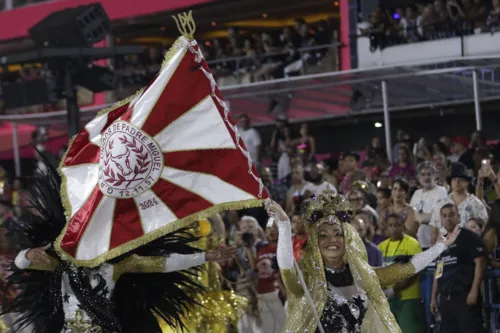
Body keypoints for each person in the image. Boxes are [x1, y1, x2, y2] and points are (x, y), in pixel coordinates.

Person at [4, 162, 238, 333]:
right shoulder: (61, 261)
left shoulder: (117, 264)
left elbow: (163, 263)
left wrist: (206, 255)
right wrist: (27, 254)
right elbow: (21, 263)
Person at [265, 188, 459, 333]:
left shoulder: (363, 274)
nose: (331, 240)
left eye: (337, 233)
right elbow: (287, 270)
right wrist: (284, 225)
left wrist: (439, 247)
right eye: (323, 235)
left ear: (347, 239)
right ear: (315, 243)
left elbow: (404, 269)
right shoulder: (307, 279)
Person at [430, 203, 486, 333]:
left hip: (465, 297)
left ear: (459, 217)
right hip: (445, 299)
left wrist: (474, 291)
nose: (448, 218)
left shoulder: (469, 237)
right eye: (444, 216)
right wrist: (433, 297)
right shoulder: (442, 243)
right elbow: (438, 272)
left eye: (451, 215)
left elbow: (480, 263)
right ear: (441, 220)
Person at [378, 214, 425, 333]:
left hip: (409, 297)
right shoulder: (381, 247)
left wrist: (394, 289)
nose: (394, 228)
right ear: (386, 227)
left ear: (403, 226)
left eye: (397, 225)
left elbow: (414, 272)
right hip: (388, 299)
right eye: (391, 225)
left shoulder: (412, 244)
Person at [410, 162, 448, 249]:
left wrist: (421, 217)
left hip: (434, 238)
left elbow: (438, 216)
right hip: (417, 238)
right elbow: (412, 216)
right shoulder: (417, 193)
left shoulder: (441, 191)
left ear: (434, 175)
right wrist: (424, 217)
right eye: (423, 174)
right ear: (419, 177)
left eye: (429, 174)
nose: (426, 177)